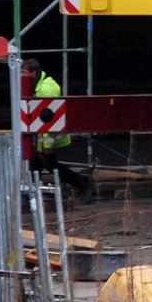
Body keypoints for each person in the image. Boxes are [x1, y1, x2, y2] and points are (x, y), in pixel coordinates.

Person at [22, 58, 91, 201]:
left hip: (49, 137)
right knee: (40, 163)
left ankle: (82, 182)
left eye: (23, 72)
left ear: (33, 73)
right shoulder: (36, 86)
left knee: (47, 163)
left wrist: (46, 145)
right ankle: (31, 192)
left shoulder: (46, 89)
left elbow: (49, 119)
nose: (21, 75)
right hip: (43, 136)